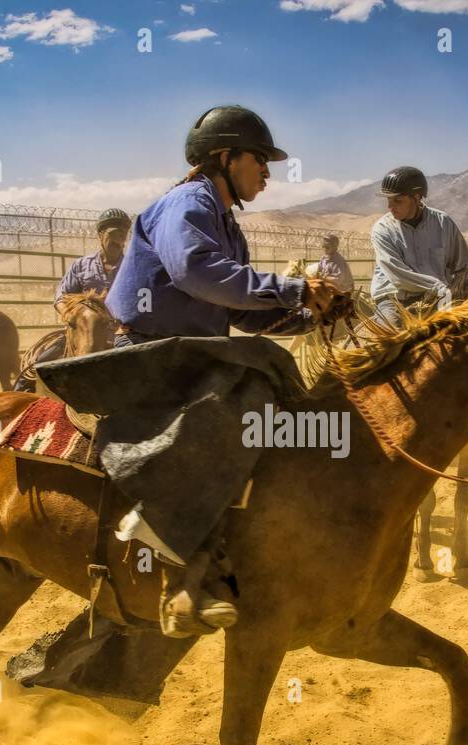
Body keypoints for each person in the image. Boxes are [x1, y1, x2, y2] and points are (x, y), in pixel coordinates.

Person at [100, 104, 339, 637]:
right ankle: (166, 539)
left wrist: (308, 315)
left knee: (276, 392)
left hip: (190, 350)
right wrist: (296, 287)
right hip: (152, 351)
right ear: (225, 156)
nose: (268, 173)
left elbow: (237, 310)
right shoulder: (188, 202)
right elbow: (195, 272)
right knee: (243, 402)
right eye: (261, 160)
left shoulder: (225, 221)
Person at [12, 208, 131, 391]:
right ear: (100, 235)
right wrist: (68, 315)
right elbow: (61, 296)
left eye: (123, 235)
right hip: (79, 331)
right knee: (37, 365)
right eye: (114, 233)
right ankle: (22, 393)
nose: (119, 240)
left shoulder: (130, 267)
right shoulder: (82, 265)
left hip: (116, 332)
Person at [368, 165, 468, 330]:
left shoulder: (444, 223)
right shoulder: (382, 229)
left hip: (438, 297)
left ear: (416, 198)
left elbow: (464, 267)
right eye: (388, 200)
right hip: (394, 297)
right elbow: (398, 276)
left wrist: (459, 295)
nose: (390, 206)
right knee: (391, 336)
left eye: (397, 200)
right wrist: (438, 287)